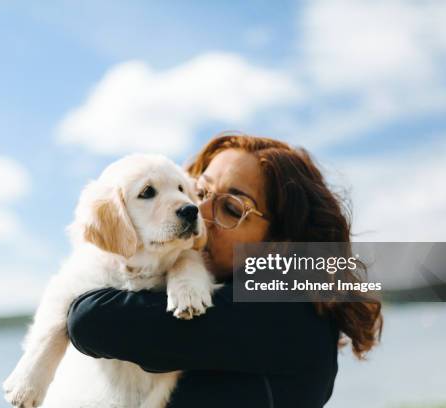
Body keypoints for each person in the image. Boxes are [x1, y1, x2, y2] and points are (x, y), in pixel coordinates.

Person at [67, 133, 383, 407]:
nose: (197, 212)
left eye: (231, 208)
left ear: (278, 244)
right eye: (199, 192)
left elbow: (92, 320)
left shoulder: (286, 312)